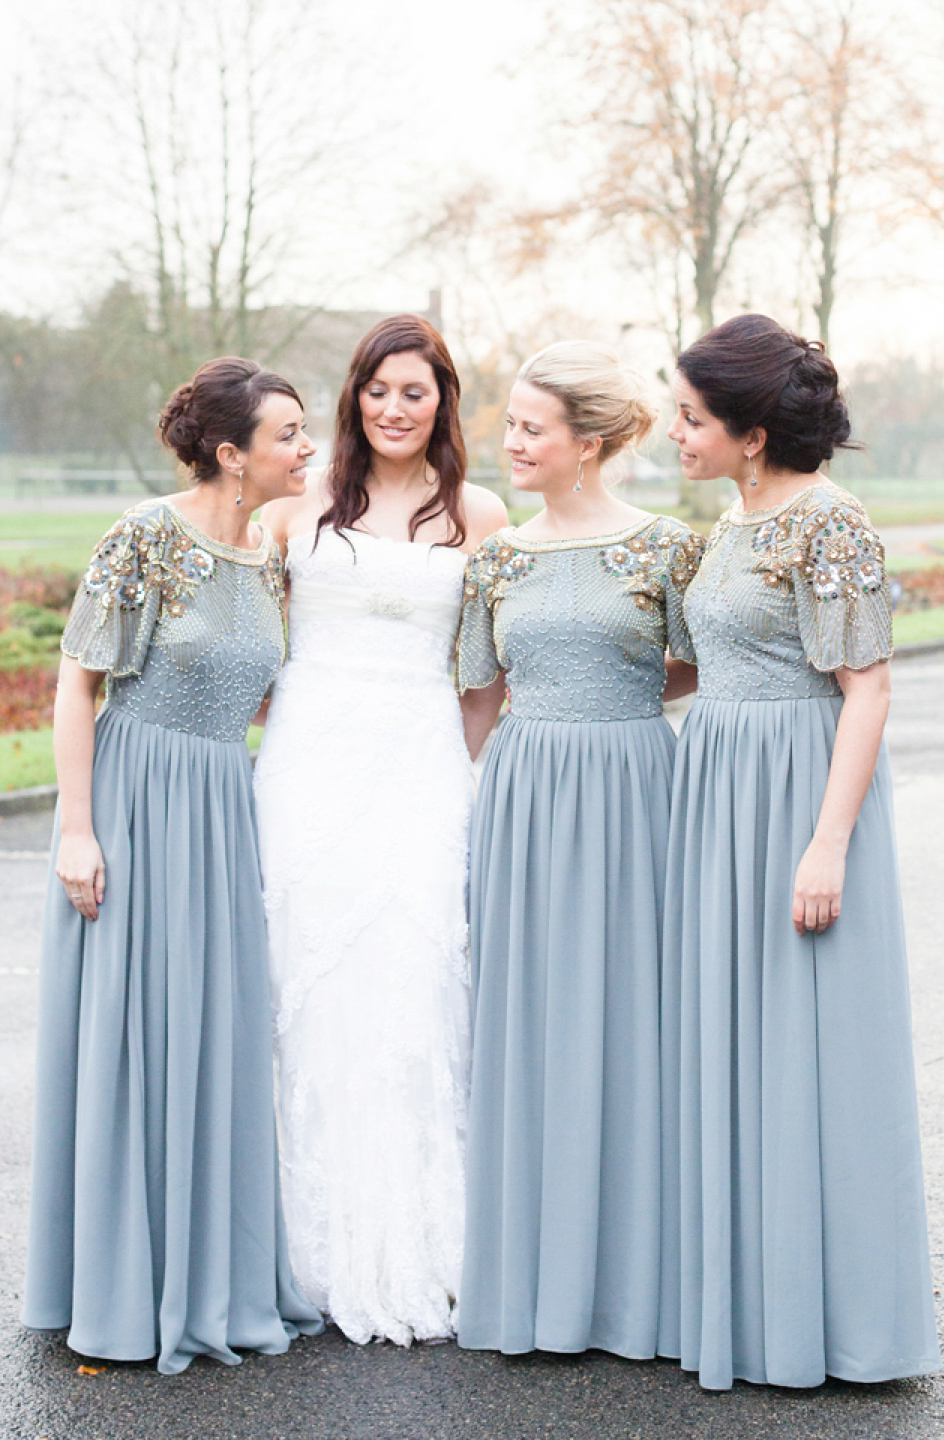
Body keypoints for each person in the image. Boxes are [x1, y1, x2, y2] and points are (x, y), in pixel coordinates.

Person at [21, 358, 323, 1373]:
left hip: (222, 811)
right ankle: (117, 1280)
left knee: (212, 1034)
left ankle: (211, 1271)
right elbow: (77, 684)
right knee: (132, 1035)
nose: (307, 448)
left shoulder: (269, 559)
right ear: (231, 454)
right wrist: (77, 825)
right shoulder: (144, 538)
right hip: (138, 797)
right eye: (288, 433)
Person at [658, 313, 940, 1389]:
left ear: (752, 430)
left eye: (691, 417)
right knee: (735, 1045)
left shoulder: (834, 524)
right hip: (718, 787)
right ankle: (746, 1299)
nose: (677, 433)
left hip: (797, 795)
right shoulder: (730, 523)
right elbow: (699, 663)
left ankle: (838, 1322)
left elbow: (866, 685)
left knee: (811, 1051)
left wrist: (827, 844)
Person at [254, 314, 507, 1345]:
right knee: (301, 972)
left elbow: (488, 671)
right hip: (310, 759)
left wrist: (455, 757)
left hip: (419, 762)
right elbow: (243, 632)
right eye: (378, 390)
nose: (395, 409)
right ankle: (291, 1239)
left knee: (413, 977)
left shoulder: (478, 513)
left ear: (444, 400)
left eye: (417, 391)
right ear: (353, 395)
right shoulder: (300, 503)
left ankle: (423, 1235)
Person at [455, 340, 703, 1356]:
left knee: (634, 1020)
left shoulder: (667, 548)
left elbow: (700, 666)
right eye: (508, 424)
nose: (510, 443)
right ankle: (531, 1278)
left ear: (590, 443)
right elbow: (476, 694)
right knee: (532, 1022)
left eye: (530, 428)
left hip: (637, 793)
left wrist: (620, 709)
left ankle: (638, 1285)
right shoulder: (496, 557)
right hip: (521, 799)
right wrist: (487, 801)